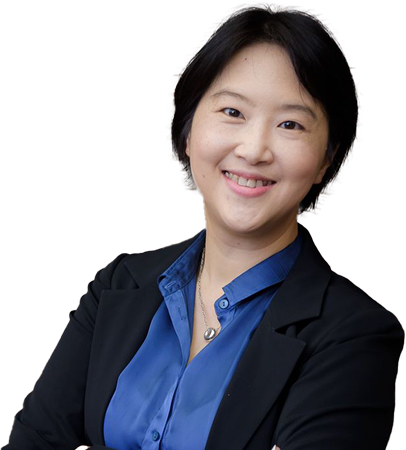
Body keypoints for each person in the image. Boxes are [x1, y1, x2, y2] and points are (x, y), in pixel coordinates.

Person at [5, 3, 404, 450]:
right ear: (188, 129)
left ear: (326, 159)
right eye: (232, 112)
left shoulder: (354, 335)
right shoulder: (118, 285)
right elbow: (32, 440)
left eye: (290, 124)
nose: (254, 150)